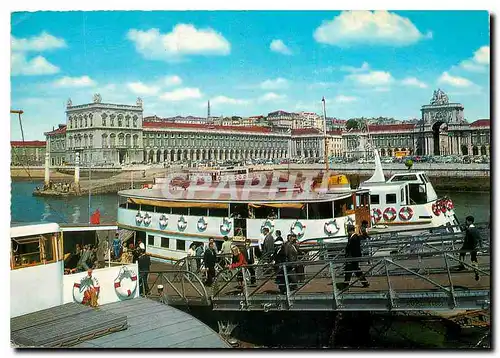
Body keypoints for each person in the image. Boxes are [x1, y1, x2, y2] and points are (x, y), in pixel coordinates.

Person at [342, 224, 369, 288]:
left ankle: (346, 284)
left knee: (349, 270)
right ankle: (365, 283)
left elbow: (354, 249)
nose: (347, 233)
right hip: (352, 257)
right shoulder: (353, 237)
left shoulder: (354, 237)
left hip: (352, 257)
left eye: (348, 231)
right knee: (356, 271)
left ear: (350, 231)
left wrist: (351, 257)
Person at [458, 216, 482, 281]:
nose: (465, 222)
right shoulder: (475, 229)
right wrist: (480, 246)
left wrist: (464, 247)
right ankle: (476, 270)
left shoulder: (469, 230)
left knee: (461, 252)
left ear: (470, 221)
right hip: (475, 246)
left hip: (469, 246)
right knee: (473, 259)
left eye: (466, 221)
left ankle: (462, 265)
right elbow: (480, 238)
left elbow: (467, 239)